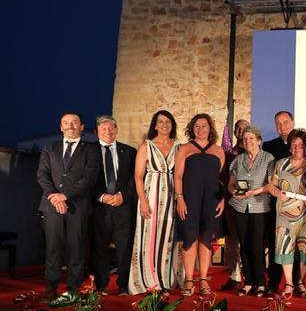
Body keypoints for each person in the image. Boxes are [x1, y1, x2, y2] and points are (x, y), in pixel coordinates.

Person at [38, 112, 100, 305]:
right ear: (60, 127)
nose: (70, 126)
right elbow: (42, 175)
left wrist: (65, 196)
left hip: (78, 206)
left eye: (74, 122)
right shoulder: (49, 149)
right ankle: (51, 287)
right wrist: (54, 197)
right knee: (52, 248)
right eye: (66, 123)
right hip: (51, 206)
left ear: (82, 127)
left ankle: (73, 288)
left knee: (76, 248)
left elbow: (89, 179)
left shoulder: (91, 150)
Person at [130, 110, 181, 295]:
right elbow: (137, 177)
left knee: (167, 238)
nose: (165, 125)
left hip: (171, 197)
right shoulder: (146, 146)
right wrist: (143, 200)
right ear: (155, 125)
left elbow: (182, 174)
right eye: (161, 122)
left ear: (172, 125)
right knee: (149, 237)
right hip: (151, 196)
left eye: (168, 121)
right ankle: (149, 281)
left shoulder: (178, 147)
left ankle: (165, 279)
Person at [269, 129, 306, 297]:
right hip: (285, 214)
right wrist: (278, 193)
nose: (297, 147)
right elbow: (271, 186)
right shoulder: (280, 164)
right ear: (289, 146)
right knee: (285, 247)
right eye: (294, 144)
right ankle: (289, 284)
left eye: (300, 144)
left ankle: (300, 281)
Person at [175, 113, 225, 296]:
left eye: (204, 126)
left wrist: (223, 200)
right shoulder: (185, 149)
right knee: (189, 238)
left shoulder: (218, 151)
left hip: (211, 200)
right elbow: (178, 176)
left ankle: (203, 279)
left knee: (206, 238)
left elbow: (221, 180)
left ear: (210, 128)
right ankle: (189, 280)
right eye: (197, 126)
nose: (200, 129)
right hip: (189, 199)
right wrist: (180, 198)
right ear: (192, 128)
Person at [90, 115, 136, 296]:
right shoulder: (88, 151)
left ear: (116, 130)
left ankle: (123, 286)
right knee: (99, 248)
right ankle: (101, 286)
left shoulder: (130, 152)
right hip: (99, 208)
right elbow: (85, 180)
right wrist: (101, 196)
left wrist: (122, 195)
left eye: (111, 128)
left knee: (124, 249)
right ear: (96, 132)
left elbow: (136, 178)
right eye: (103, 129)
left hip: (123, 208)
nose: (108, 132)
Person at [228, 125, 274, 297]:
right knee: (244, 245)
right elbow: (231, 183)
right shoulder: (238, 160)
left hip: (260, 206)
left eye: (251, 139)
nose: (248, 142)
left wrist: (254, 192)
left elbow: (271, 184)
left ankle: (260, 283)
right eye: (245, 139)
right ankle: (248, 282)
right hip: (240, 206)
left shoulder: (268, 158)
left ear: (259, 141)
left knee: (257, 245)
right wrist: (233, 192)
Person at [219, 118, 249, 291]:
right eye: (237, 128)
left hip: (251, 205)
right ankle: (234, 276)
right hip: (231, 204)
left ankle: (249, 276)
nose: (240, 130)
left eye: (244, 128)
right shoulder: (227, 154)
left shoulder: (256, 153)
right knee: (231, 242)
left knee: (247, 241)